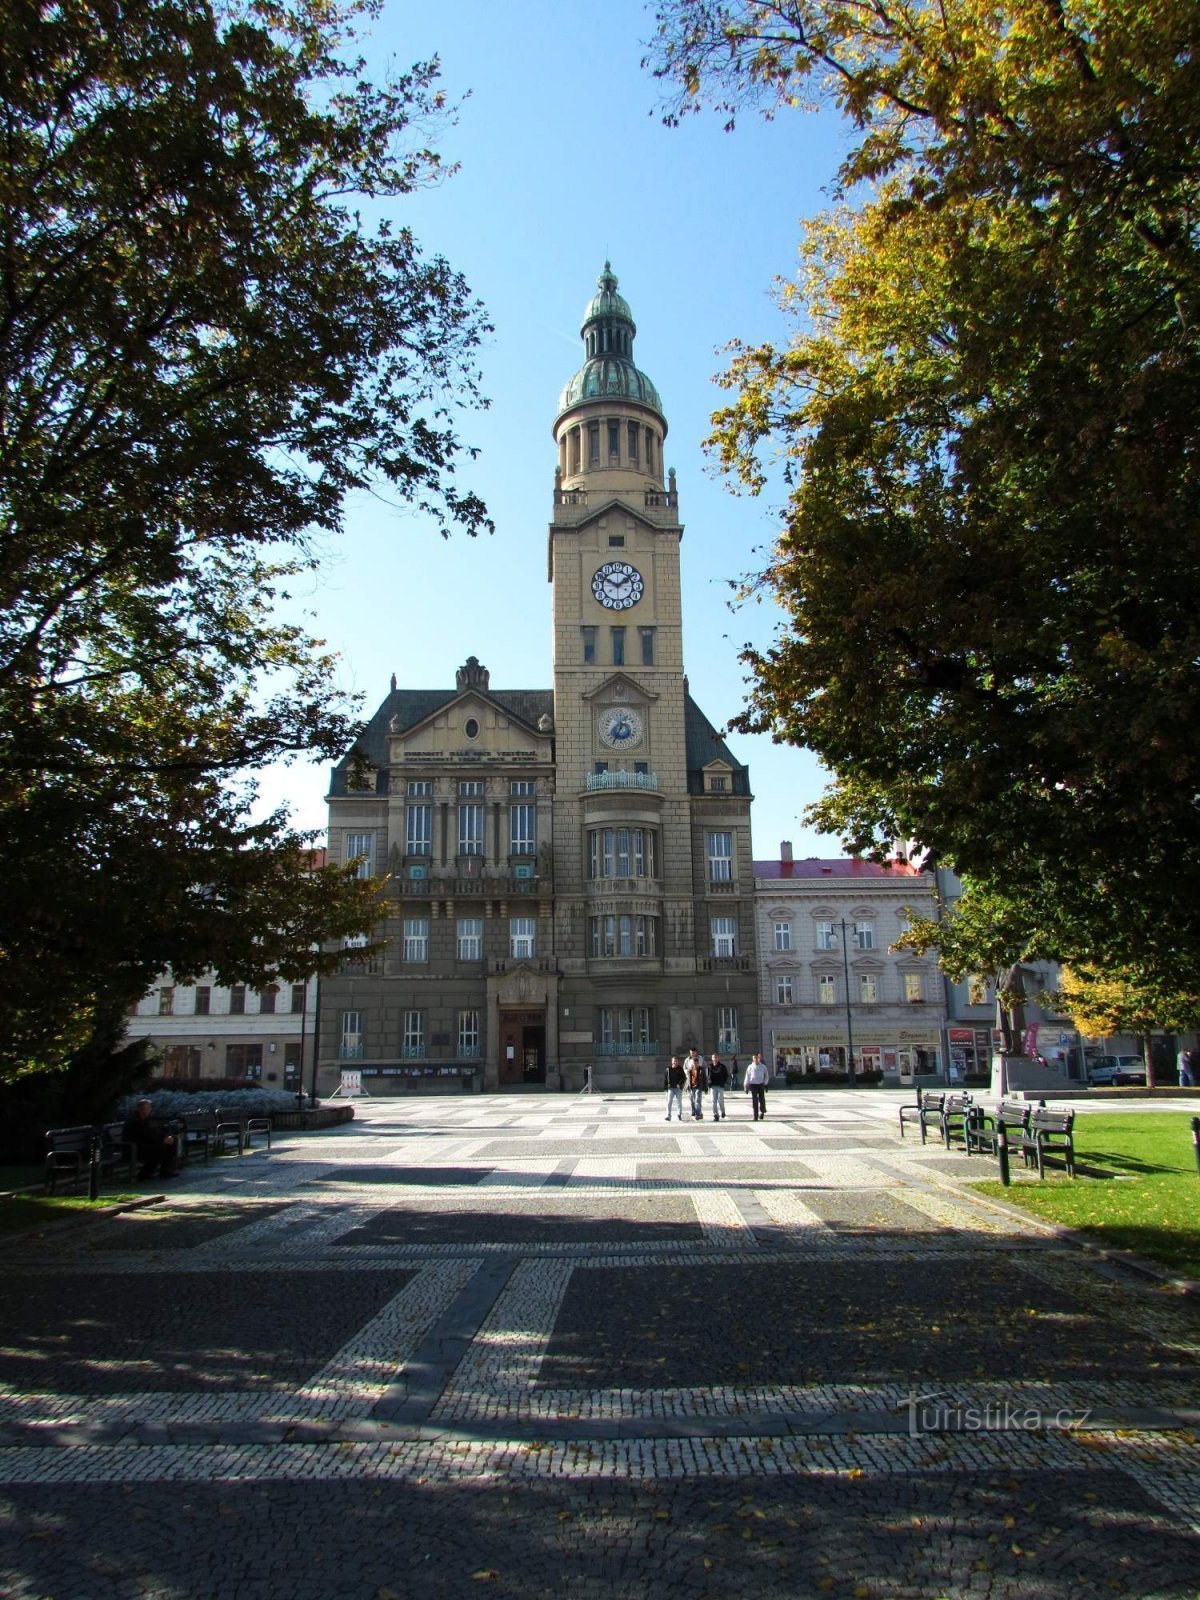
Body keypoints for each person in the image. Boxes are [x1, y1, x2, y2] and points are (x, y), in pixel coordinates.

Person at [123, 1098, 178, 1179]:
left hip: (145, 1144)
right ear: (139, 1109)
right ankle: (144, 1174)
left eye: (148, 1108)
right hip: (135, 1147)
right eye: (145, 1108)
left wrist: (165, 1137)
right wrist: (162, 1140)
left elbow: (154, 1132)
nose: (147, 1110)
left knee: (171, 1141)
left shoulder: (146, 1119)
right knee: (159, 1148)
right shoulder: (134, 1120)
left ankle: (166, 1170)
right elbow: (144, 1135)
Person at [744, 1052, 770, 1122]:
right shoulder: (750, 1067)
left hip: (761, 1084)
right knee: (754, 1101)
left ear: (759, 1058)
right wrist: (746, 1085)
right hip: (753, 1085)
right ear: (753, 1059)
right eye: (754, 1058)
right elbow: (747, 1076)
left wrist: (765, 1083)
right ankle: (755, 1116)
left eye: (757, 1058)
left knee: (762, 1100)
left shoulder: (763, 1067)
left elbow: (766, 1076)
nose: (756, 1059)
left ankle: (762, 1111)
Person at [686, 1049, 709, 1119]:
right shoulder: (687, 1061)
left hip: (699, 1085)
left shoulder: (701, 1060)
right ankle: (694, 1111)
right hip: (691, 1085)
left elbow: (705, 1072)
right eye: (691, 1053)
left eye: (694, 1053)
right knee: (692, 1100)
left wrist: (706, 1087)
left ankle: (698, 1113)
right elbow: (685, 1070)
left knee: (698, 1100)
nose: (693, 1054)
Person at [708, 1052, 730, 1121]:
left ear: (718, 1058)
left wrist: (723, 1082)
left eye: (716, 1057)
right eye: (713, 1057)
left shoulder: (722, 1066)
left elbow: (726, 1075)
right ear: (712, 1058)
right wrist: (708, 1083)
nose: (714, 1059)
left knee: (720, 1101)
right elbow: (706, 1076)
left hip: (720, 1086)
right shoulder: (710, 1066)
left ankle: (723, 1112)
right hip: (713, 1086)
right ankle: (715, 1115)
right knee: (713, 1101)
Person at [663, 1056, 686, 1121]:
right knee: (669, 1102)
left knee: (679, 1102)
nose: (675, 1062)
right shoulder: (668, 1069)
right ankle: (668, 1115)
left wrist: (679, 1084)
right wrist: (665, 1087)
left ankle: (679, 1114)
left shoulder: (680, 1069)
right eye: (674, 1061)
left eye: (676, 1061)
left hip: (678, 1088)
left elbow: (684, 1078)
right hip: (671, 1088)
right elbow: (666, 1079)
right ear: (672, 1062)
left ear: (678, 1062)